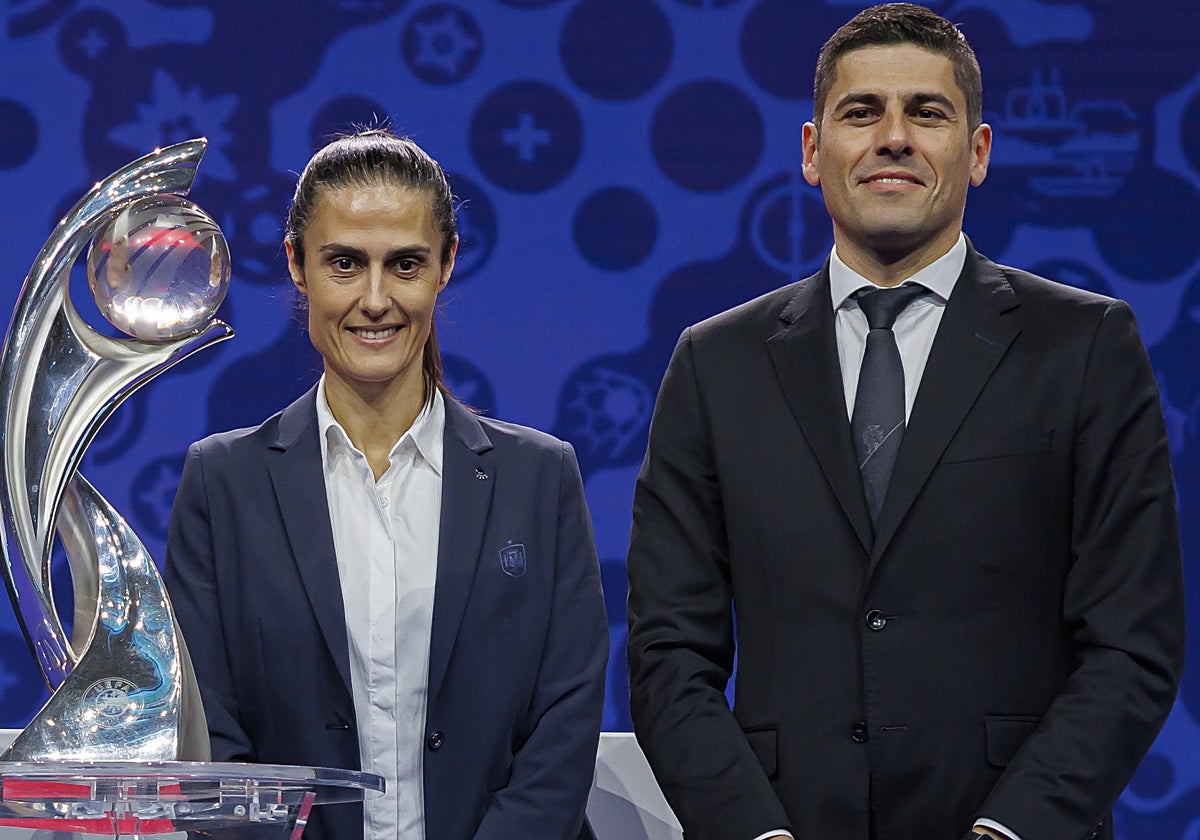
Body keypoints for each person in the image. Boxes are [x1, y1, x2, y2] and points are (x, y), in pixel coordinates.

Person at [625, 5, 1184, 840]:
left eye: (927, 112)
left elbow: (1131, 642)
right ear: (813, 151)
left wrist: (1011, 831)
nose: (894, 137)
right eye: (862, 112)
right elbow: (670, 652)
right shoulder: (716, 364)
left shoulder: (1086, 346)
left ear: (979, 151)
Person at [165, 128, 608, 840]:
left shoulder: (539, 478)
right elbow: (210, 742)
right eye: (344, 263)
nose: (375, 300)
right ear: (297, 266)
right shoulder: (221, 484)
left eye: (404, 264)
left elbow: (564, 725)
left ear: (446, 266)